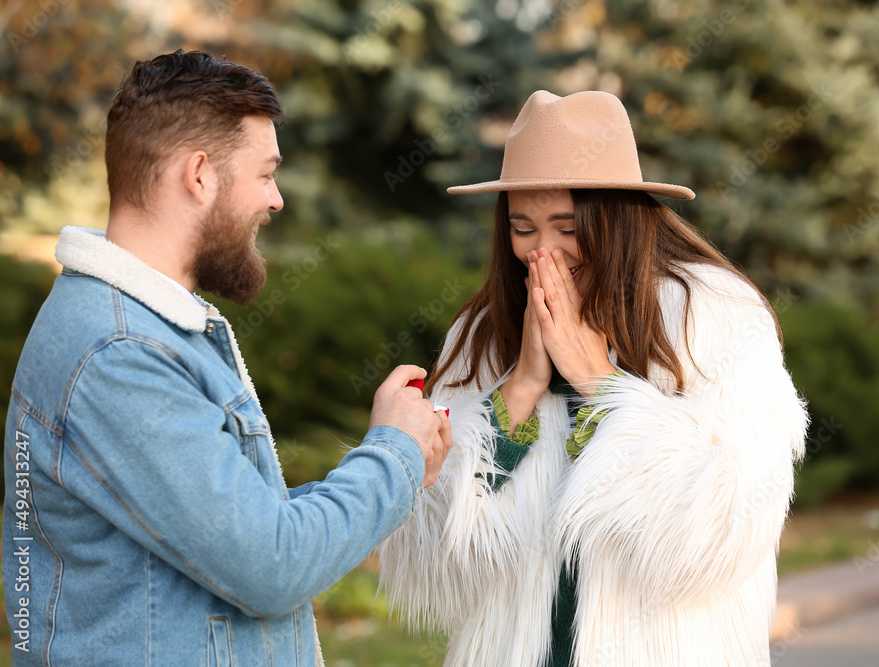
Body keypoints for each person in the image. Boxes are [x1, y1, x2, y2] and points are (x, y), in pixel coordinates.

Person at [2, 50, 451, 666]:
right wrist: (391, 453)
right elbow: (272, 564)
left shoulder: (150, 327)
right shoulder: (121, 354)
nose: (277, 200)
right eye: (266, 174)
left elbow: (242, 530)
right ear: (200, 175)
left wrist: (398, 454)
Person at [376, 90, 808, 666]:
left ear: (617, 218)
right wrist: (520, 392)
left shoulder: (715, 317)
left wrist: (599, 384)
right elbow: (433, 550)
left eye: (567, 226)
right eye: (523, 228)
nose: (542, 253)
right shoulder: (481, 334)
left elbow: (728, 528)